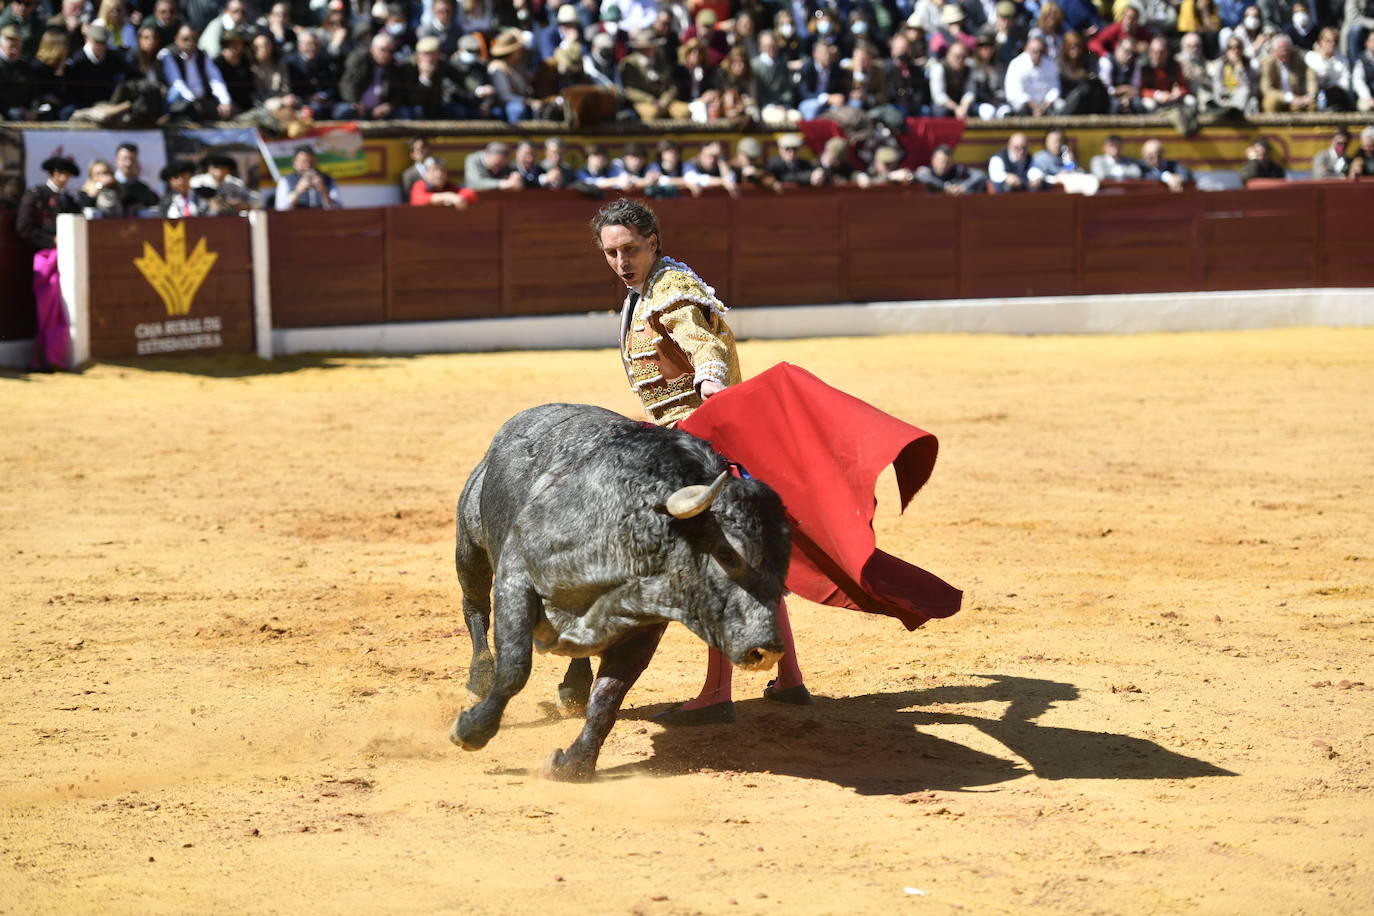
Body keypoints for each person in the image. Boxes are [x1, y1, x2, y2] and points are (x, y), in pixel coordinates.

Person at [590, 197, 809, 725]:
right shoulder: (648, 286)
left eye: (631, 250)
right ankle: (791, 679)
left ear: (654, 244)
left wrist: (711, 379)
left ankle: (717, 692)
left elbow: (697, 337)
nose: (622, 261)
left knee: (707, 565)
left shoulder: (670, 291)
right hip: (681, 439)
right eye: (612, 252)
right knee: (740, 563)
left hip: (698, 446)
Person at [16, 156, 81, 372]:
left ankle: (53, 356)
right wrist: (51, 241)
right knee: (46, 309)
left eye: (67, 174)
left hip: (70, 259)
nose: (64, 177)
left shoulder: (69, 199)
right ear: (51, 173)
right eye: (60, 173)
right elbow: (24, 228)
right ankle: (41, 357)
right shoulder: (36, 195)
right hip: (44, 259)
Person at [158, 24, 234, 120]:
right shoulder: (168, 54)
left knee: (229, 113)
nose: (190, 42)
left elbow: (216, 79)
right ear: (176, 38)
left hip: (202, 99)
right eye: (185, 39)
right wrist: (192, 101)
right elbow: (177, 84)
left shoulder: (202, 55)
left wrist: (225, 101)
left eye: (194, 39)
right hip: (180, 101)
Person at [275, 145, 341, 210]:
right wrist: (298, 191)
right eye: (303, 162)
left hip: (322, 219)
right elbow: (280, 208)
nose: (308, 165)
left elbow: (338, 208)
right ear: (295, 163)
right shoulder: (285, 180)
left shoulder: (329, 180)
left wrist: (323, 191)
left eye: (311, 162)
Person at [191, 153, 257, 211]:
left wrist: (246, 204)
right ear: (209, 168)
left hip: (230, 219)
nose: (219, 171)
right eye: (216, 167)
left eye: (223, 168)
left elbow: (255, 198)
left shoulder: (235, 184)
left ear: (229, 170)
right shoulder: (197, 182)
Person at [914, 144, 988, 194]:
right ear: (933, 161)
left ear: (951, 162)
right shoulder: (928, 172)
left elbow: (980, 175)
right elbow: (919, 175)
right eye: (940, 161)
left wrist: (963, 187)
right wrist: (944, 188)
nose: (943, 165)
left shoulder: (958, 171)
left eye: (947, 162)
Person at [409, 156, 476, 207]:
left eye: (442, 170)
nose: (439, 174)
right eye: (434, 170)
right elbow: (417, 199)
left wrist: (459, 198)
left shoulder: (449, 186)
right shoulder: (420, 184)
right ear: (426, 173)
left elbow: (471, 194)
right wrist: (447, 197)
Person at [113, 142, 159, 213]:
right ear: (116, 160)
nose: (128, 163)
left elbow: (156, 203)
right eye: (124, 159)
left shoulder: (143, 188)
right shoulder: (109, 185)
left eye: (132, 159)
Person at [399, 136, 430, 200]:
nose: (420, 151)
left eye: (422, 147)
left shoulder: (437, 170)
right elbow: (407, 197)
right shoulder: (407, 175)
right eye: (417, 149)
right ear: (411, 154)